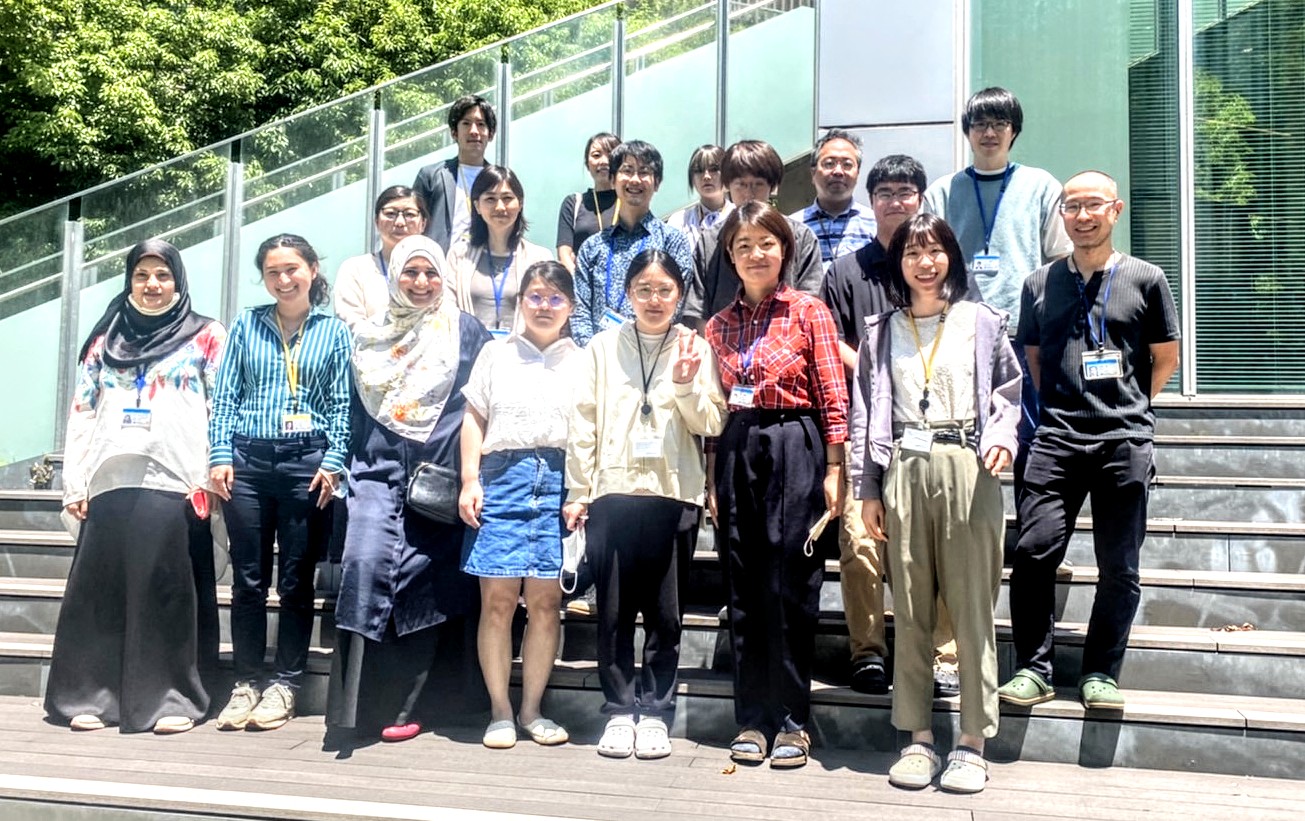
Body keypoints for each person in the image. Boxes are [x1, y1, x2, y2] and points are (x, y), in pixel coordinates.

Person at [850, 213, 1020, 794]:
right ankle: (917, 736)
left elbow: (1009, 394)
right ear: (897, 264)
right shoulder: (880, 331)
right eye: (912, 253)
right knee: (911, 607)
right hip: (903, 465)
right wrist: (868, 489)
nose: (924, 263)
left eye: (934, 251)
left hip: (967, 462)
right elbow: (863, 413)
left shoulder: (982, 321)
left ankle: (972, 741)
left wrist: (1002, 437)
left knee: (972, 608)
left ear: (951, 256)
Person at [1000, 171, 1180, 713]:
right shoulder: (1039, 282)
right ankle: (1034, 669)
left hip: (1123, 438)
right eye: (1072, 206)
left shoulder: (1147, 278)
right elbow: (1034, 359)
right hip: (1057, 436)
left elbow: (1165, 357)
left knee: (1119, 564)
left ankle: (1101, 671)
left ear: (1115, 210)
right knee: (1033, 552)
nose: (1082, 216)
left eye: (1093, 205)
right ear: (1062, 215)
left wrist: (1129, 406)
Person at [47, 239, 225, 735]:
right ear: (129, 280)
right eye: (142, 275)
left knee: (168, 590)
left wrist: (212, 471)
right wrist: (75, 481)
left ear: (178, 281)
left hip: (178, 477)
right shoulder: (105, 339)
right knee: (100, 592)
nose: (152, 285)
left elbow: (222, 407)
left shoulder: (207, 335)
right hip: (109, 477)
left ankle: (174, 699)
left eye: (162, 275)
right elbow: (83, 410)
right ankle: (92, 695)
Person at [565, 249, 727, 760]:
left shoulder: (695, 346)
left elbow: (712, 422)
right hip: (612, 495)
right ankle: (618, 711)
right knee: (613, 613)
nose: (654, 300)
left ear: (679, 295)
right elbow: (583, 422)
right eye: (644, 290)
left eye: (664, 290)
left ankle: (655, 711)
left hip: (673, 494)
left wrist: (683, 384)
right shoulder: (601, 347)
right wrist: (578, 491)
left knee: (665, 616)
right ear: (627, 293)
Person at [328, 235, 492, 742]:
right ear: (394, 277)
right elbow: (348, 408)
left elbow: (481, 405)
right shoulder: (368, 334)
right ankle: (363, 708)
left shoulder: (467, 331)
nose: (421, 283)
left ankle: (420, 707)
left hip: (439, 475)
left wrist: (472, 474)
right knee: (365, 564)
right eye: (410, 273)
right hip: (376, 472)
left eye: (431, 273)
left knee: (429, 579)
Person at [704, 202, 847, 770]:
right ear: (730, 256)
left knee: (791, 583)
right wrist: (713, 477)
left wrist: (835, 469)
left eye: (766, 242)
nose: (755, 254)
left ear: (784, 249)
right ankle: (752, 718)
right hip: (737, 445)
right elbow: (714, 409)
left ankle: (792, 720)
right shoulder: (718, 326)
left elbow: (833, 395)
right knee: (743, 583)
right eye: (743, 245)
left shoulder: (809, 311)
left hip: (796, 442)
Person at [208, 234, 352, 731]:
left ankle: (286, 683)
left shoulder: (334, 331)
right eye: (273, 272)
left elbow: (341, 405)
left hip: (306, 463)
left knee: (295, 580)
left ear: (312, 270)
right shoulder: (246, 324)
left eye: (292, 269)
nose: (284, 279)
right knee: (248, 580)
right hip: (247, 461)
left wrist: (333, 461)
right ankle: (246, 681)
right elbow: (226, 396)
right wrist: (220, 454)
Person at [459, 260, 579, 749]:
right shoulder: (495, 353)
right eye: (535, 296)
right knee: (497, 602)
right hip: (501, 479)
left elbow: (591, 431)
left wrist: (582, 491)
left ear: (571, 306)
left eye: (555, 298)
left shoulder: (583, 359)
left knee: (547, 603)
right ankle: (500, 712)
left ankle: (532, 710)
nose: (544, 306)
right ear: (521, 301)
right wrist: (470, 479)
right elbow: (474, 417)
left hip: (560, 483)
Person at [820, 154, 926, 695]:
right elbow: (829, 336)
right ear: (872, 201)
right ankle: (867, 651)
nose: (895, 201)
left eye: (905, 192)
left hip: (927, 422)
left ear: (920, 200)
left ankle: (937, 651)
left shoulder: (935, 262)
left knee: (926, 543)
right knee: (860, 540)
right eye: (884, 192)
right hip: (863, 421)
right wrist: (877, 366)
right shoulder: (845, 271)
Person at [684, 140, 823, 327]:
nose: (749, 193)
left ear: (772, 186)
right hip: (722, 342)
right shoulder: (709, 241)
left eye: (758, 184)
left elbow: (812, 303)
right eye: (741, 184)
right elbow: (697, 309)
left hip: (788, 341)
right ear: (727, 186)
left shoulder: (801, 236)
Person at [572, 140, 694, 346]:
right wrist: (594, 353)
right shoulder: (592, 247)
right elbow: (579, 309)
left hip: (654, 354)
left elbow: (676, 306)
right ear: (613, 180)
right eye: (627, 171)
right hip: (598, 357)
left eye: (644, 172)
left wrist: (640, 351)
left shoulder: (673, 242)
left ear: (657, 183)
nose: (635, 179)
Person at [445, 166, 553, 339]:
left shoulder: (540, 258)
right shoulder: (459, 255)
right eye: (490, 199)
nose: (500, 207)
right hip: (470, 349)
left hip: (520, 351)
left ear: (520, 203)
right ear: (477, 206)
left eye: (507, 198)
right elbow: (447, 310)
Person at [334, 186, 430, 330]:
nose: (399, 222)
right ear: (376, 221)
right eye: (390, 214)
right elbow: (351, 322)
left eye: (409, 214)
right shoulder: (356, 269)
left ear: (423, 223)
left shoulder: (436, 272)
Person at [413, 95, 497, 251]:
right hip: (439, 262)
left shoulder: (499, 181)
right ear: (454, 132)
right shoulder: (431, 176)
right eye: (466, 123)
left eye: (481, 124)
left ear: (490, 134)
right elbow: (413, 225)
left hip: (485, 262)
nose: (474, 131)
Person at [791, 129, 876, 270]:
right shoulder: (793, 226)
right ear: (813, 173)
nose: (838, 171)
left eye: (847, 164)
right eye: (829, 163)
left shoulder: (874, 224)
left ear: (858, 173)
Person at [556, 132, 621, 273]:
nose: (604, 161)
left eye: (610, 154)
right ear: (587, 163)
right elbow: (564, 254)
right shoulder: (574, 203)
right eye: (596, 155)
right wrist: (581, 282)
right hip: (582, 281)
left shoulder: (630, 203)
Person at [665, 144, 734, 250]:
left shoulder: (739, 216)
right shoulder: (679, 221)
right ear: (692, 178)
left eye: (714, 169)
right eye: (699, 170)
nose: (706, 176)